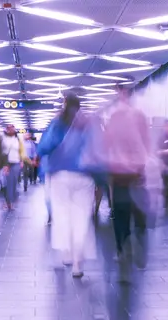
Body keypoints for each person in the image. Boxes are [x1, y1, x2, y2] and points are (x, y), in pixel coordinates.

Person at [38, 91, 97, 278]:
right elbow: (98, 151)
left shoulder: (57, 123)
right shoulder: (88, 125)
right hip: (84, 176)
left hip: (59, 176)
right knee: (81, 220)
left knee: (62, 216)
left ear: (64, 104)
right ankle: (77, 265)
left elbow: (44, 147)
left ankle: (66, 255)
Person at [102, 81, 152, 267]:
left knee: (122, 210)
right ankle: (130, 244)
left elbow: (107, 143)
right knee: (133, 210)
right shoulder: (137, 115)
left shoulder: (116, 116)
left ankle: (123, 247)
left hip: (123, 171)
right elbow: (146, 143)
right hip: (133, 171)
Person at [1, 125, 29, 210]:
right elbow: (3, 153)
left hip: (16, 163)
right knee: (9, 182)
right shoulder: (4, 139)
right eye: (9, 128)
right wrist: (5, 165)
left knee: (14, 182)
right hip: (8, 163)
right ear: (7, 130)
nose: (11, 130)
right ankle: (8, 202)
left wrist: (21, 161)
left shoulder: (18, 139)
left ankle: (11, 200)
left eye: (12, 128)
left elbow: (21, 150)